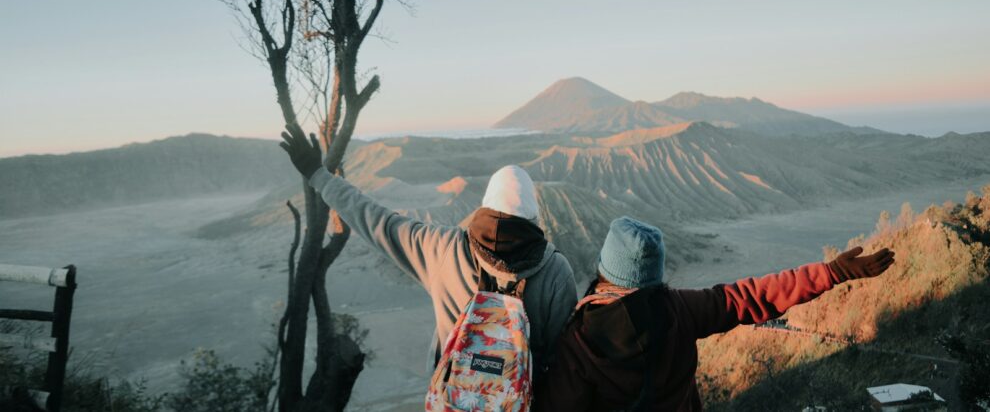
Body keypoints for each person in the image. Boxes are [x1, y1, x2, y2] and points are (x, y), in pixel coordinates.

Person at [279, 124, 577, 380]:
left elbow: (373, 218)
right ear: (535, 218)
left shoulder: (441, 249)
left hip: (455, 401)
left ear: (485, 205)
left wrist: (317, 174)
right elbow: (561, 360)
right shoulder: (556, 271)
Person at [537, 216, 895, 411]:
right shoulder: (680, 308)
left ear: (605, 271)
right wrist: (833, 271)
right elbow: (753, 296)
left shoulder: (578, 341)